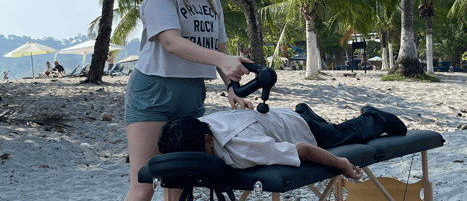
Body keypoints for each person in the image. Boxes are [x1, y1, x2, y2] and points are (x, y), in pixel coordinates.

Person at [123, 0, 253, 201]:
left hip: (192, 93)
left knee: (182, 182)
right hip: (153, 92)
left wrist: (233, 88)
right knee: (144, 183)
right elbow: (171, 42)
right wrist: (222, 60)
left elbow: (220, 49)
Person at [158, 104, 407, 180]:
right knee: (329, 128)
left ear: (209, 141)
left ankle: (375, 117)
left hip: (301, 129)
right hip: (276, 117)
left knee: (343, 134)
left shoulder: (243, 146)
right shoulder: (193, 126)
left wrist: (342, 164)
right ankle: (305, 110)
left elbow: (304, 150)